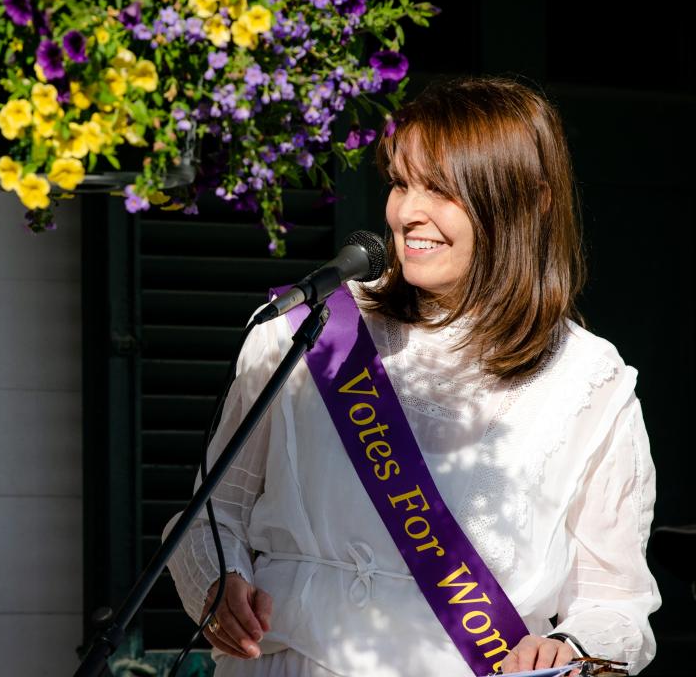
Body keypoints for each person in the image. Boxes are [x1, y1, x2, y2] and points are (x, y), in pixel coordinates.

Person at [165, 76, 661, 677]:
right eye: (401, 182)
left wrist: (571, 647)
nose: (408, 212)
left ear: (531, 202)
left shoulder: (588, 378)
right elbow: (214, 513)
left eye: (443, 190)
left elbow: (616, 599)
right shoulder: (310, 330)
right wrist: (219, 584)